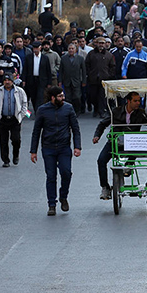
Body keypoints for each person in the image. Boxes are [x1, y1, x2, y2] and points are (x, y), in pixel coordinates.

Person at [30, 86, 82, 216]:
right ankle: (51, 204)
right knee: (51, 176)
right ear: (53, 98)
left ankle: (63, 196)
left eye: (63, 96)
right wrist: (33, 151)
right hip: (48, 148)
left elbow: (75, 128)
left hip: (64, 147)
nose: (63, 98)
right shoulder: (42, 110)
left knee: (66, 173)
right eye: (60, 96)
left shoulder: (68, 108)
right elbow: (36, 131)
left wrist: (77, 146)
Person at [92, 90, 147, 199]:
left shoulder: (140, 113)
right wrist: (97, 136)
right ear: (128, 101)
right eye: (135, 101)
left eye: (139, 101)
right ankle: (105, 187)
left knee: (140, 143)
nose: (138, 103)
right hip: (115, 141)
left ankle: (128, 166)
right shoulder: (116, 111)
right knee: (101, 160)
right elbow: (103, 124)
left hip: (132, 143)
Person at [0, 74, 28, 168]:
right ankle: (5, 160)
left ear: (12, 81)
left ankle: (16, 155)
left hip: (15, 119)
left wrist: (21, 115)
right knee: (3, 141)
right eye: (5, 80)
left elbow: (24, 104)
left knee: (16, 139)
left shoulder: (19, 91)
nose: (7, 82)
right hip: (2, 119)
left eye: (9, 80)